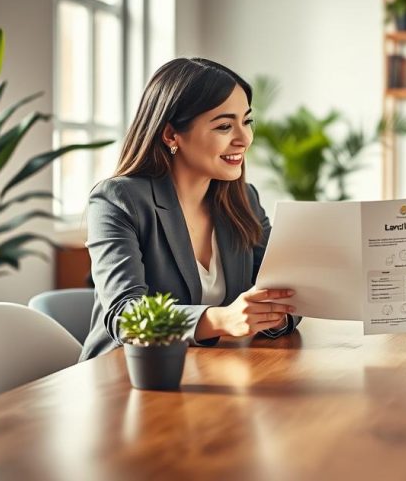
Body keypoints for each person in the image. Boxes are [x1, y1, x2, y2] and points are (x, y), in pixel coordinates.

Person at [80, 58, 300, 360]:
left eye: (247, 121)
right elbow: (126, 316)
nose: (244, 139)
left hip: (213, 369)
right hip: (128, 374)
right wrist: (220, 320)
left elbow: (287, 290)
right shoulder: (117, 200)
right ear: (171, 134)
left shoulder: (244, 199)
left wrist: (273, 316)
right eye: (224, 126)